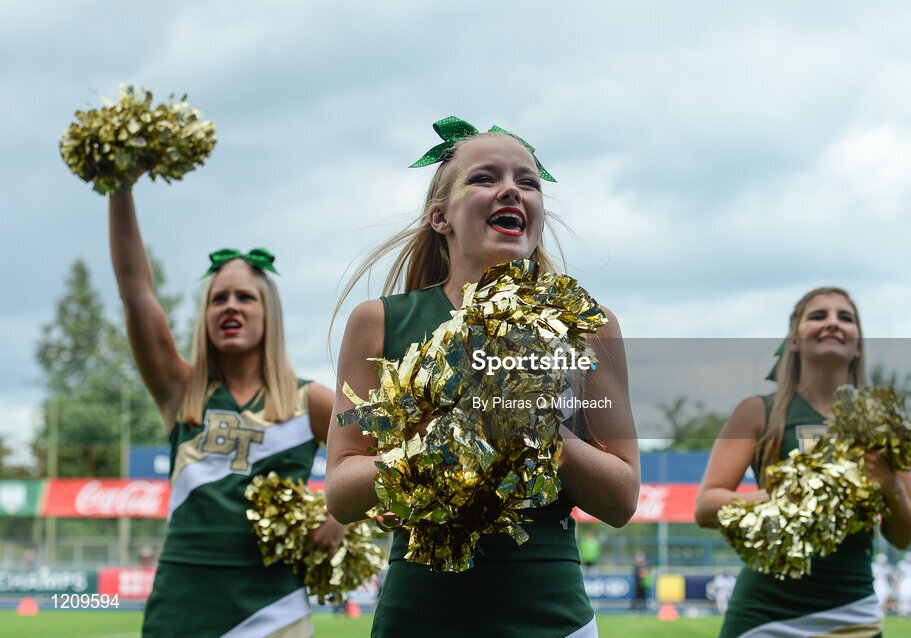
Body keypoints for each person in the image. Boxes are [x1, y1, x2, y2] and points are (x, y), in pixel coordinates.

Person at [325, 117, 641, 638]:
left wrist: (532, 429)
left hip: (552, 620)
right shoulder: (379, 322)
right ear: (440, 216)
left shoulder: (589, 325)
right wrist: (439, 446)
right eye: (484, 178)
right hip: (418, 619)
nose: (510, 190)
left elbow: (622, 499)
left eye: (528, 181)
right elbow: (341, 490)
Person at [108, 186, 343, 637]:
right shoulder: (180, 390)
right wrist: (120, 188)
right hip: (182, 603)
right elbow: (135, 292)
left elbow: (384, 457)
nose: (230, 305)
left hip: (273, 609)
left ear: (267, 312)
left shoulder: (310, 401)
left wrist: (340, 518)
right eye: (218, 298)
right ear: (206, 315)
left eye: (245, 297)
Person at [694, 287, 911, 638]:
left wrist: (891, 487)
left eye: (845, 318)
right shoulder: (758, 411)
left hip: (853, 615)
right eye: (818, 316)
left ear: (857, 344)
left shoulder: (881, 424)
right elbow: (706, 507)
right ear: (795, 340)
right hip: (763, 615)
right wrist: (780, 498)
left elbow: (904, 536)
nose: (832, 323)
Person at [896, 551, 911, 617]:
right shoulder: (901, 564)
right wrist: (897, 584)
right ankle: (901, 612)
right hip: (903, 582)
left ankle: (910, 612)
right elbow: (898, 575)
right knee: (903, 598)